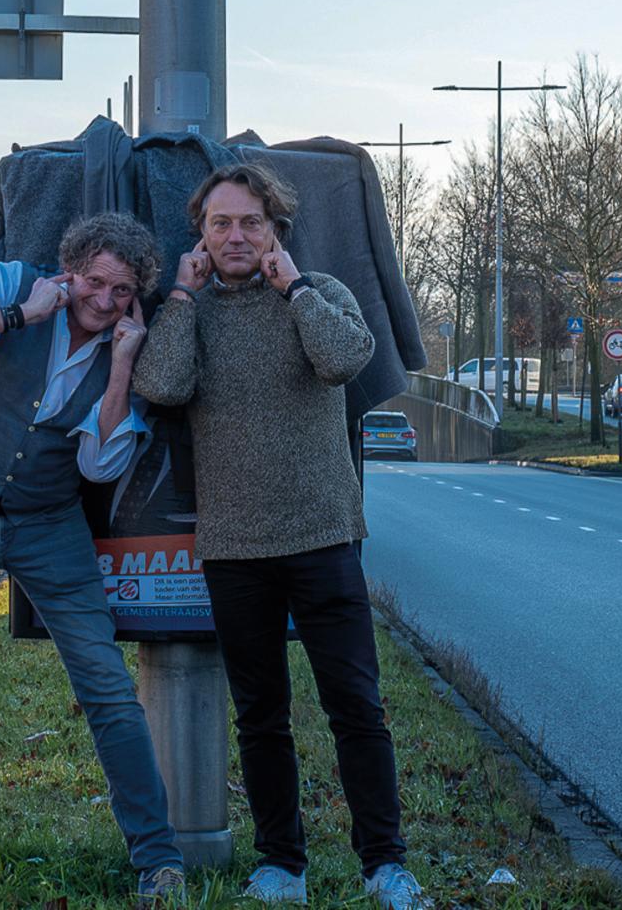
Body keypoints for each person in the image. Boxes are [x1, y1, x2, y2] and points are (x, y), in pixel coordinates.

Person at [133, 166, 424, 910]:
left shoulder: (321, 294)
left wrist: (293, 287)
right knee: (261, 716)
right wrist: (180, 295)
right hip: (235, 546)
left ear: (276, 230)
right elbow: (161, 386)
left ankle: (384, 864)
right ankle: (281, 865)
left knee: (356, 706)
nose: (235, 236)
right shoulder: (190, 307)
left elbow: (343, 361)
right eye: (220, 223)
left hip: (324, 535)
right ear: (199, 234)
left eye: (250, 223)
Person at [0, 212, 185, 905]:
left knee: (104, 684)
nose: (105, 301)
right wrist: (20, 316)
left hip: (48, 521)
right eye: (95, 282)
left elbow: (100, 462)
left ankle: (157, 859)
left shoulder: (131, 344)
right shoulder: (13, 284)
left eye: (122, 291)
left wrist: (120, 364)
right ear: (71, 270)